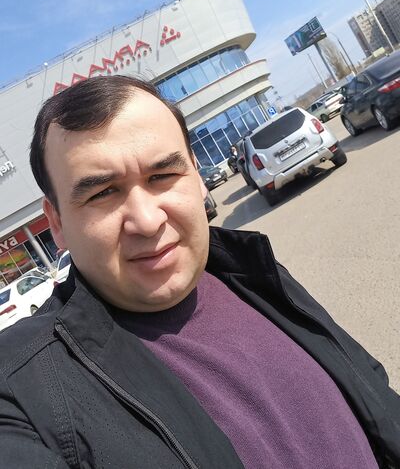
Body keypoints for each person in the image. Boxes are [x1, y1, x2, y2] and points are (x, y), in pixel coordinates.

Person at [0, 75, 399, 469]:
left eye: (162, 176)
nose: (147, 221)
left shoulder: (250, 272)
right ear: (56, 223)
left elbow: (369, 388)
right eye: (102, 192)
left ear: (196, 176)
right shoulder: (22, 392)